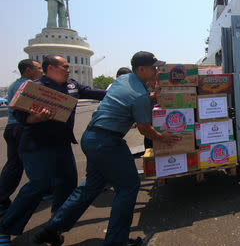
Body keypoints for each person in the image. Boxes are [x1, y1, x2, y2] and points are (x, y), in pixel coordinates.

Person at [34, 51, 182, 246]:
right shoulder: (139, 95)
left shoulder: (125, 80)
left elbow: (130, 100)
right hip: (107, 143)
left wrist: (152, 96)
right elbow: (145, 129)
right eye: (154, 68)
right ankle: (116, 242)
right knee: (128, 186)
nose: (157, 71)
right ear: (142, 69)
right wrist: (162, 137)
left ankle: (50, 230)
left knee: (91, 187)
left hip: (92, 137)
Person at [0, 55, 106, 245]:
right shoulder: (34, 87)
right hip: (37, 146)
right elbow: (21, 117)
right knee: (38, 185)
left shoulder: (71, 86)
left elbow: (94, 93)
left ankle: (54, 226)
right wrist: (37, 118)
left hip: (62, 145)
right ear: (50, 68)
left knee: (67, 184)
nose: (68, 70)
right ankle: (5, 228)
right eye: (64, 67)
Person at [0, 60, 43, 217]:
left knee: (14, 165)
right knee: (24, 167)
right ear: (28, 70)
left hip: (12, 128)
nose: (41, 71)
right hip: (20, 128)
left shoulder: (16, 84)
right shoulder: (28, 85)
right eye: (38, 68)